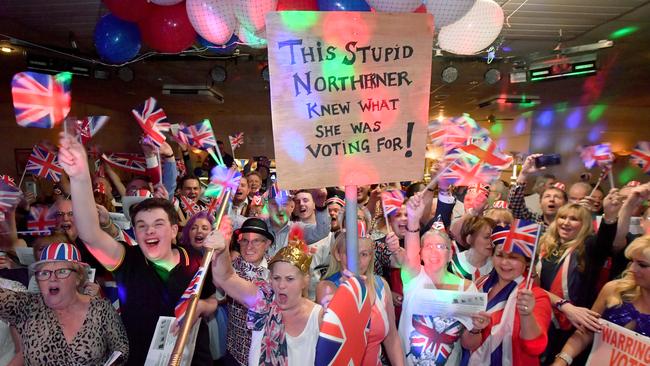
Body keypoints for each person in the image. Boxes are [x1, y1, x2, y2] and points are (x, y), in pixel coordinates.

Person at [58, 133, 217, 365]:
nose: (149, 231)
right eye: (141, 226)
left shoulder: (196, 260)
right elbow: (90, 234)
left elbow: (212, 298)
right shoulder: (127, 260)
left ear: (174, 231)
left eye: (158, 224)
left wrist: (202, 306)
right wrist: (80, 177)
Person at [210, 222, 323, 365]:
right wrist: (222, 250)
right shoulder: (263, 300)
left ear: (304, 281)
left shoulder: (318, 315)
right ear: (270, 278)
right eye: (276, 278)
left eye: (290, 279)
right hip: (236, 355)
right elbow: (226, 278)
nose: (281, 285)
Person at [0, 242, 128, 365]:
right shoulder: (27, 306)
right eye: (44, 273)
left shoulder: (101, 308)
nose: (52, 278)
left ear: (78, 278)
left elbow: (121, 350)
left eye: (62, 271)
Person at [400, 192, 490, 365]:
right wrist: (413, 219)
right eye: (428, 246)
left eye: (441, 247)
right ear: (420, 253)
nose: (434, 251)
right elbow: (410, 251)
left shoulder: (466, 288)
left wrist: (476, 329)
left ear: (450, 254)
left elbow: (469, 343)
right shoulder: (413, 277)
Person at [537, 189, 622, 365]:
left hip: (574, 326)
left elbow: (604, 243)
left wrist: (610, 217)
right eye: (563, 217)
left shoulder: (588, 247)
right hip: (543, 319)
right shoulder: (545, 245)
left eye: (574, 219)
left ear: (584, 224)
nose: (566, 223)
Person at [551, 236, 650, 366]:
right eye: (632, 261)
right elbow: (586, 332)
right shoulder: (614, 290)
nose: (632, 269)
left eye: (642, 265)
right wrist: (562, 360)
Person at [317, 225, 404, 366]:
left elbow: (392, 338)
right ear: (338, 254)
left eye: (364, 254)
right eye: (351, 253)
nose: (357, 260)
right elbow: (335, 340)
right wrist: (347, 292)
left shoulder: (381, 285)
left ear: (371, 257)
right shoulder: (327, 288)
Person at [469, 228, 552, 365]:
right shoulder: (480, 284)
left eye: (513, 257)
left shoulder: (536, 296)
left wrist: (526, 315)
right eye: (500, 255)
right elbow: (467, 342)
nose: (504, 263)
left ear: (527, 263)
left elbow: (535, 348)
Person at [509, 154, 568, 227]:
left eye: (557, 197)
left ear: (565, 203)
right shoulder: (532, 221)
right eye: (547, 196)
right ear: (540, 203)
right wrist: (523, 174)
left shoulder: (568, 225)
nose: (552, 199)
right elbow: (515, 204)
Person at [449, 216, 496, 282]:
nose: (492, 242)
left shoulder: (497, 267)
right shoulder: (452, 264)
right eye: (487, 237)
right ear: (469, 239)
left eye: (494, 237)